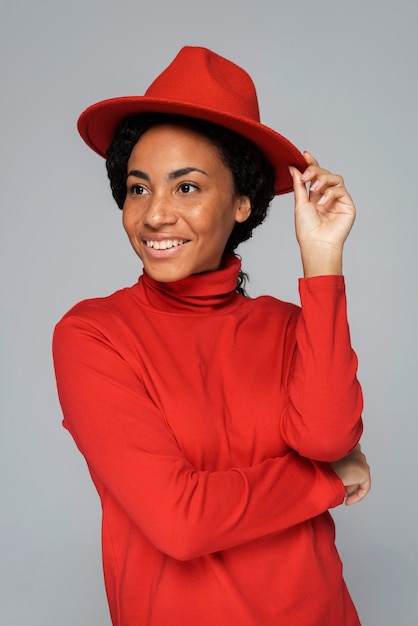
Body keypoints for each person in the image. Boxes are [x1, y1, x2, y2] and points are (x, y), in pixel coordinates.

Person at [53, 46, 371, 626]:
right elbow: (181, 521)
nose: (154, 215)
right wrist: (324, 481)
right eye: (139, 187)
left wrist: (322, 261)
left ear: (243, 204)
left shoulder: (289, 326)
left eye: (188, 188)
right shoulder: (93, 335)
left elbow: (328, 437)